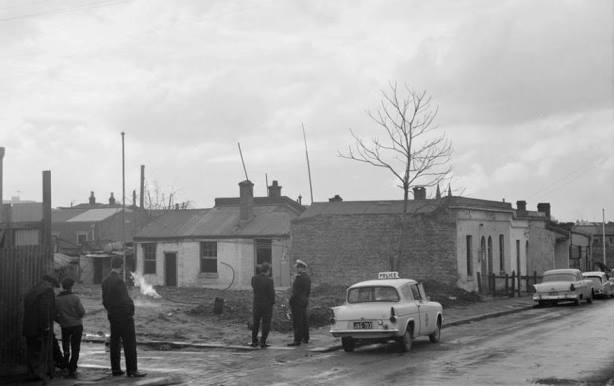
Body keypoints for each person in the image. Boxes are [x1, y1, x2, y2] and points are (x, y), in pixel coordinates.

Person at [101, 257, 146, 377]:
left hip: (113, 316)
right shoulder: (119, 281)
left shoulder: (105, 281)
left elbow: (104, 301)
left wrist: (110, 311)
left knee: (114, 343)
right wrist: (130, 311)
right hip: (124, 317)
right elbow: (125, 300)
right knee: (129, 343)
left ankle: (116, 369)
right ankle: (132, 370)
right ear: (120, 266)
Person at [23, 273, 59, 384]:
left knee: (32, 350)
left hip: (29, 326)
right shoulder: (47, 291)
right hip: (39, 327)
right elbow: (44, 309)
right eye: (54, 286)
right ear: (51, 283)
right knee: (40, 351)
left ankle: (32, 373)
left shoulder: (33, 290)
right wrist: (46, 326)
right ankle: (38, 374)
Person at [55, 277, 85, 378]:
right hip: (76, 325)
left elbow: (54, 314)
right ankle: (72, 367)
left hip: (65, 326)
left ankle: (66, 362)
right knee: (75, 347)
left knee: (66, 345)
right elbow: (81, 312)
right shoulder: (75, 298)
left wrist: (61, 321)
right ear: (71, 287)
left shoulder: (57, 299)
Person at [251, 262, 275, 348]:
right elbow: (271, 294)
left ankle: (254, 341)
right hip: (266, 305)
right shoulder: (269, 281)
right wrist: (272, 303)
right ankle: (263, 342)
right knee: (266, 323)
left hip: (256, 304)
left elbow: (253, 288)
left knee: (256, 323)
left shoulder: (254, 278)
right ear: (268, 271)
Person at [287, 259, 311, 346]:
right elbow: (308, 291)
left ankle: (297, 340)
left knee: (297, 322)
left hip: (297, 302)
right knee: (304, 320)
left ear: (301, 268)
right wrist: (305, 299)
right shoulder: (307, 277)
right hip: (304, 301)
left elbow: (295, 292)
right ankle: (305, 338)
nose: (296, 269)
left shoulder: (299, 278)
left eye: (297, 268)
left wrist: (290, 300)